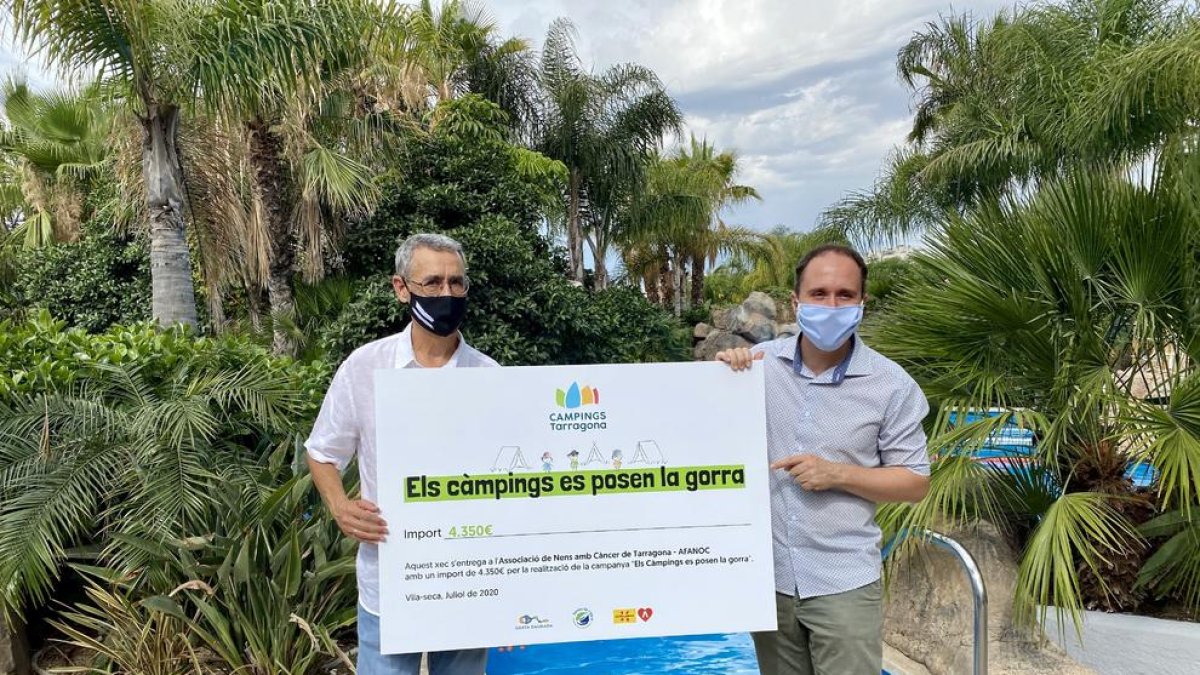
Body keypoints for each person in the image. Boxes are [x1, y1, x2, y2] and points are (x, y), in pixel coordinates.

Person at [715, 244, 931, 675]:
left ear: (861, 304)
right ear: (796, 302)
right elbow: (708, 437)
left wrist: (838, 474)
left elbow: (915, 481)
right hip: (770, 579)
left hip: (843, 580)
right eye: (819, 293)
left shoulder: (891, 386)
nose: (831, 304)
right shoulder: (759, 368)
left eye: (844, 294)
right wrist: (723, 374)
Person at [305, 233, 497, 675]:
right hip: (389, 583)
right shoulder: (364, 367)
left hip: (470, 584)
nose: (446, 293)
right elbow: (321, 452)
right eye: (431, 283)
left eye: (456, 283)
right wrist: (339, 505)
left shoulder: (491, 378)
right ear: (401, 288)